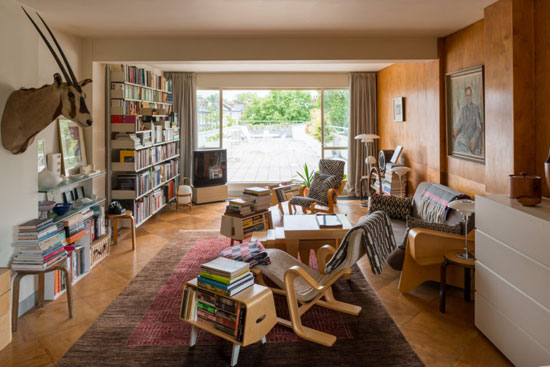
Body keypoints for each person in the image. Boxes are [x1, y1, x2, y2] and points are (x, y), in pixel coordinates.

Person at [453, 86, 482, 155]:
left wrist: (474, 138)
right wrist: (455, 130)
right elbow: (459, 123)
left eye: (470, 95)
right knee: (458, 142)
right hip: (463, 137)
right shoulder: (463, 109)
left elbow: (479, 127)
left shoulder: (476, 108)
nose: (468, 97)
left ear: (471, 95)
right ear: (465, 96)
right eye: (467, 95)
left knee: (461, 144)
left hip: (471, 137)